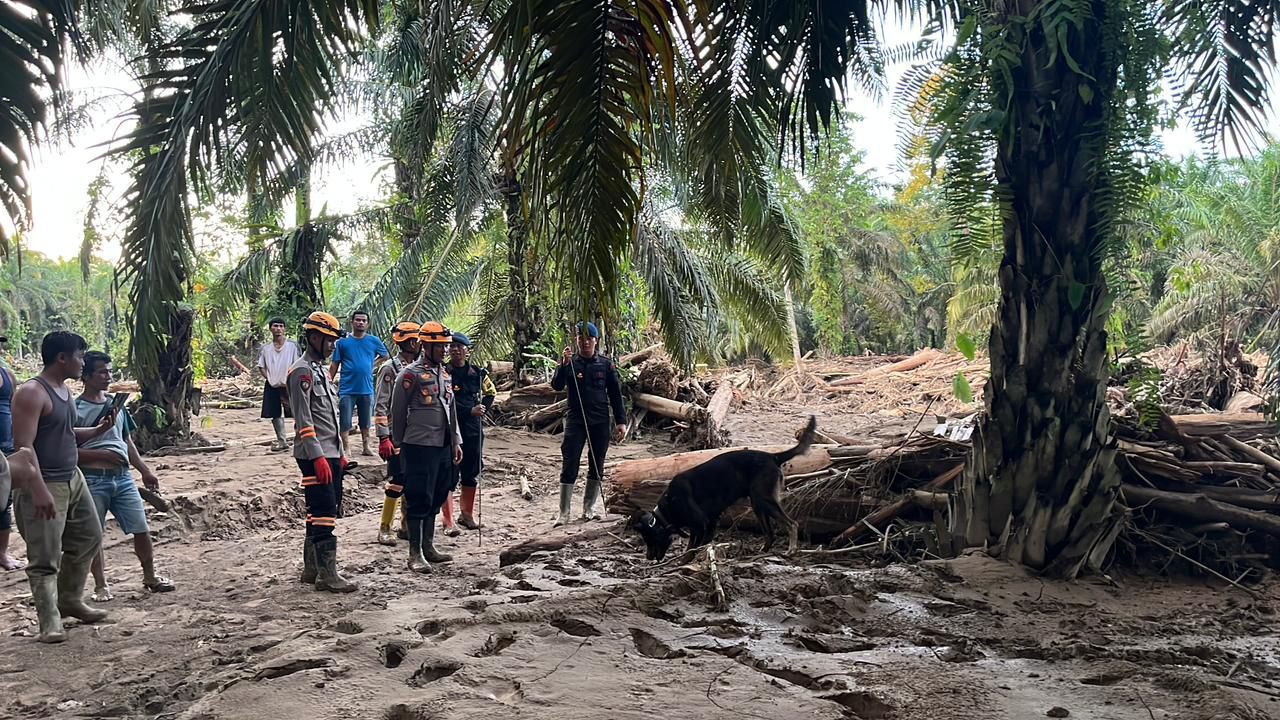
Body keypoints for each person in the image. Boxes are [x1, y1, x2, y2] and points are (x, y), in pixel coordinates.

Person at [11, 331, 113, 643]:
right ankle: (49, 622)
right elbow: (23, 447)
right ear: (62, 358)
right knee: (45, 556)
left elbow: (65, 432)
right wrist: (38, 488)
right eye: (80, 357)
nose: (83, 363)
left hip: (72, 477)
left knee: (89, 536)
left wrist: (97, 430)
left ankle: (69, 599)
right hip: (45, 482)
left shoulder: (64, 390)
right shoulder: (32, 393)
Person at [76, 351, 175, 601]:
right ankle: (101, 586)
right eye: (102, 372)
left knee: (141, 527)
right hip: (92, 478)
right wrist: (101, 456)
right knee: (94, 534)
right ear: (86, 376)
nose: (108, 377)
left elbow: (126, 440)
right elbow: (65, 450)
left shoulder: (116, 405)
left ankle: (150, 576)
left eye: (110, 371)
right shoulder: (75, 409)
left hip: (122, 477)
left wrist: (145, 470)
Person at [289, 312, 356, 593]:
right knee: (325, 510)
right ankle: (327, 575)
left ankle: (312, 569)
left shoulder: (319, 370)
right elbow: (304, 419)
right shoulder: (301, 371)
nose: (332, 346)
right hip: (314, 454)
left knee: (317, 511)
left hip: (329, 451)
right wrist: (317, 456)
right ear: (314, 338)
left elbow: (328, 417)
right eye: (328, 340)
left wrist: (339, 453)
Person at [389, 321, 462, 573]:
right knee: (419, 496)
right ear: (425, 346)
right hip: (419, 445)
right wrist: (398, 443)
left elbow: (451, 410)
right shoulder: (410, 374)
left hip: (442, 444)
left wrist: (456, 441)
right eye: (439, 346)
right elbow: (397, 411)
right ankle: (415, 553)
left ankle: (429, 546)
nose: (444, 350)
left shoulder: (445, 374)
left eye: (445, 346)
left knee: (438, 493)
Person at [551, 322, 626, 527]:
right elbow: (556, 385)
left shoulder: (606, 364)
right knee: (570, 461)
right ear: (576, 340)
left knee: (597, 461)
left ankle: (589, 508)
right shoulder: (570, 363)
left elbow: (615, 394)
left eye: (589, 339)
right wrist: (563, 365)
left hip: (600, 419)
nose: (585, 342)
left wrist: (621, 421)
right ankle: (564, 513)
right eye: (581, 338)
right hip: (576, 419)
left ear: (596, 341)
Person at [374, 321, 419, 546]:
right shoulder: (390, 369)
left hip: (417, 433)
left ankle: (406, 525)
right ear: (411, 343)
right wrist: (384, 436)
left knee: (413, 480)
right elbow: (381, 405)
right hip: (396, 434)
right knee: (397, 481)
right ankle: (385, 527)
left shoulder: (420, 367)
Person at [446, 332, 496, 531]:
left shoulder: (478, 373)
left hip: (473, 429)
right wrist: (469, 411)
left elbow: (491, 392)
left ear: (467, 350)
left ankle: (466, 515)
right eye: (452, 347)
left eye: (459, 347)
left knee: (471, 472)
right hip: (451, 428)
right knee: (449, 474)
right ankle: (448, 520)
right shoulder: (444, 372)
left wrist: (483, 408)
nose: (455, 350)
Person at [329, 310, 389, 458]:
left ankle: (366, 446)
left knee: (366, 420)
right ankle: (346, 448)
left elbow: (385, 355)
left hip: (366, 388)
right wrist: (329, 381)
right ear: (352, 322)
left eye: (363, 320)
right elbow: (335, 363)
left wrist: (372, 364)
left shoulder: (373, 341)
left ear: (367, 324)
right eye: (358, 320)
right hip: (347, 388)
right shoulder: (342, 342)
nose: (360, 323)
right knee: (345, 419)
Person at [257, 317, 301, 453]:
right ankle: (282, 441)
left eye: (281, 326)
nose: (278, 329)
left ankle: (300, 439)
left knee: (298, 412)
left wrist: (293, 379)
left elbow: (298, 364)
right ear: (270, 328)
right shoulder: (265, 348)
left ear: (285, 329)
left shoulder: (293, 346)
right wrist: (269, 378)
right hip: (273, 385)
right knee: (275, 413)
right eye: (275, 326)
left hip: (290, 384)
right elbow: (261, 366)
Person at [0, 345, 22, 570]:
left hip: (6, 447)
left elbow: (15, 409)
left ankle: (2, 554)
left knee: (3, 501)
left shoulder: (8, 375)